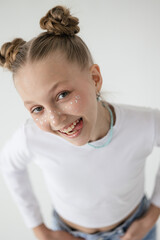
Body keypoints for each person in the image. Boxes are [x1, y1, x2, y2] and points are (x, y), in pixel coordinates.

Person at [0, 5, 160, 240]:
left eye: (62, 95)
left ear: (94, 79)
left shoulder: (145, 123)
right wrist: (40, 230)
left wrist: (150, 217)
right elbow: (10, 165)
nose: (54, 119)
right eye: (37, 108)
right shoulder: (32, 136)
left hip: (135, 232)